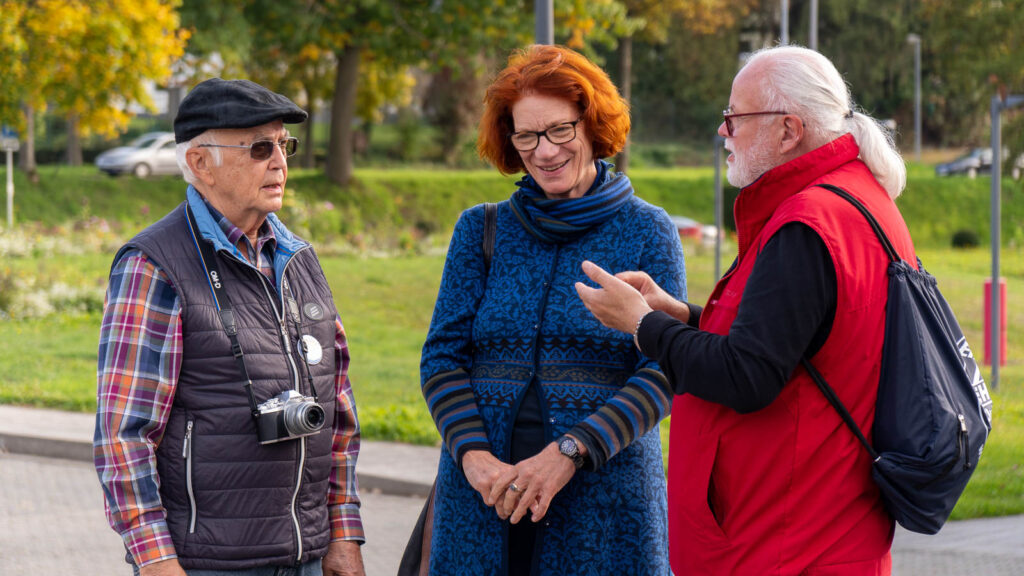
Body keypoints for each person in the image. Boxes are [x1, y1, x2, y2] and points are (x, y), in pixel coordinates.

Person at [577, 45, 913, 574]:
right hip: (815, 527)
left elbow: (748, 375)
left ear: (788, 129)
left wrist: (642, 325)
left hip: (785, 540)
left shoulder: (808, 222)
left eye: (735, 117)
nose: (723, 131)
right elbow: (790, 341)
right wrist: (678, 314)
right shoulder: (851, 199)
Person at [417, 44, 685, 575]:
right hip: (484, 496)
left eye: (560, 130)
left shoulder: (648, 229)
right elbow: (442, 357)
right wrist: (474, 458)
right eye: (527, 136)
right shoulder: (481, 228)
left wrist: (572, 450)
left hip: (605, 497)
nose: (544, 151)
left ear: (590, 126)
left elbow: (664, 366)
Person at [94, 78, 365, 576]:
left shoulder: (298, 259)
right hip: (207, 565)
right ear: (200, 164)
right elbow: (123, 438)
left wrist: (343, 534)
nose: (280, 162)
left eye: (285, 145)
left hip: (308, 558)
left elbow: (339, 413)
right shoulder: (154, 264)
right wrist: (156, 563)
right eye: (261, 147)